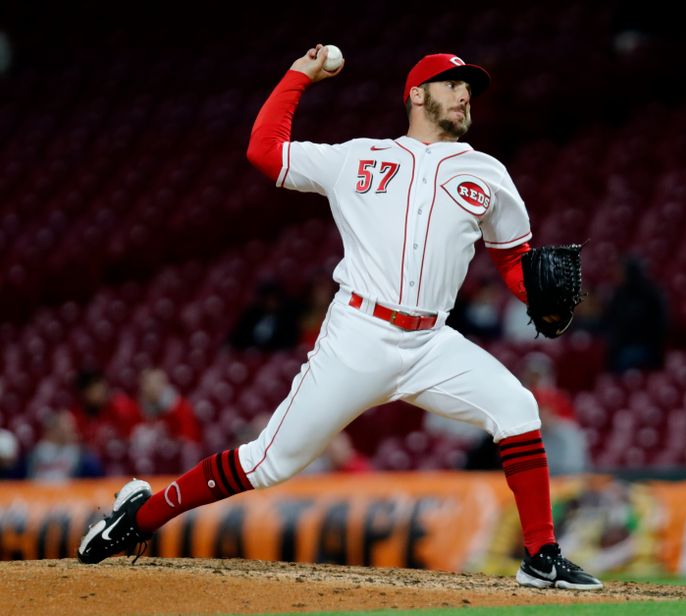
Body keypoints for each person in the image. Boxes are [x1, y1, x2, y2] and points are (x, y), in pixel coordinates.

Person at [78, 45, 602, 590]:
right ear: (417, 95)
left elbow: (515, 259)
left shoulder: (487, 173)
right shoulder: (358, 158)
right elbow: (265, 151)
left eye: (469, 87)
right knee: (267, 465)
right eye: (453, 84)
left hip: (432, 343)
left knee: (517, 407)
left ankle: (541, 555)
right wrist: (300, 75)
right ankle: (137, 517)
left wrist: (538, 300)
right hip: (359, 335)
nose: (465, 94)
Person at [601, 256, 668, 373]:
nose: (617, 275)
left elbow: (659, 322)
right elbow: (608, 319)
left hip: (644, 347)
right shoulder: (620, 293)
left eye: (620, 271)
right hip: (621, 346)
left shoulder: (649, 292)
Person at [69, 368, 143, 447]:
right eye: (93, 390)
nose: (99, 392)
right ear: (84, 394)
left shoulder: (123, 406)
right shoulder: (78, 417)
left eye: (99, 387)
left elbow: (138, 436)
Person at [227, 279, 300, 351]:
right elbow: (237, 338)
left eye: (273, 300)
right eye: (267, 299)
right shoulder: (251, 315)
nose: (270, 303)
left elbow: (287, 344)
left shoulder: (286, 319)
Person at [138, 368, 202, 443]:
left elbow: (190, 437)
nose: (146, 388)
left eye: (152, 383)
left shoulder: (180, 406)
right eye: (145, 384)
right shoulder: (142, 407)